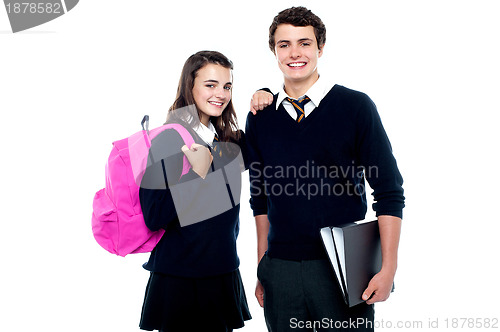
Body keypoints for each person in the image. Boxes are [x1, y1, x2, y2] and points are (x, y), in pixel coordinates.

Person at [246, 7, 405, 332]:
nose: (294, 53)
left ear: (320, 48)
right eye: (284, 44)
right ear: (273, 51)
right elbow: (259, 197)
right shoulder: (261, 116)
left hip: (343, 267)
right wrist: (263, 265)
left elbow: (389, 192)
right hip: (281, 270)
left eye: (304, 43)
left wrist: (388, 268)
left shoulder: (355, 107)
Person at [138, 50, 251, 332]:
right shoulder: (169, 139)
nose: (221, 94)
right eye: (210, 85)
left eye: (227, 86)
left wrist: (264, 96)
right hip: (182, 281)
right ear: (191, 86)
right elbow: (154, 215)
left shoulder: (226, 140)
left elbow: (267, 147)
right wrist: (198, 175)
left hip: (222, 273)